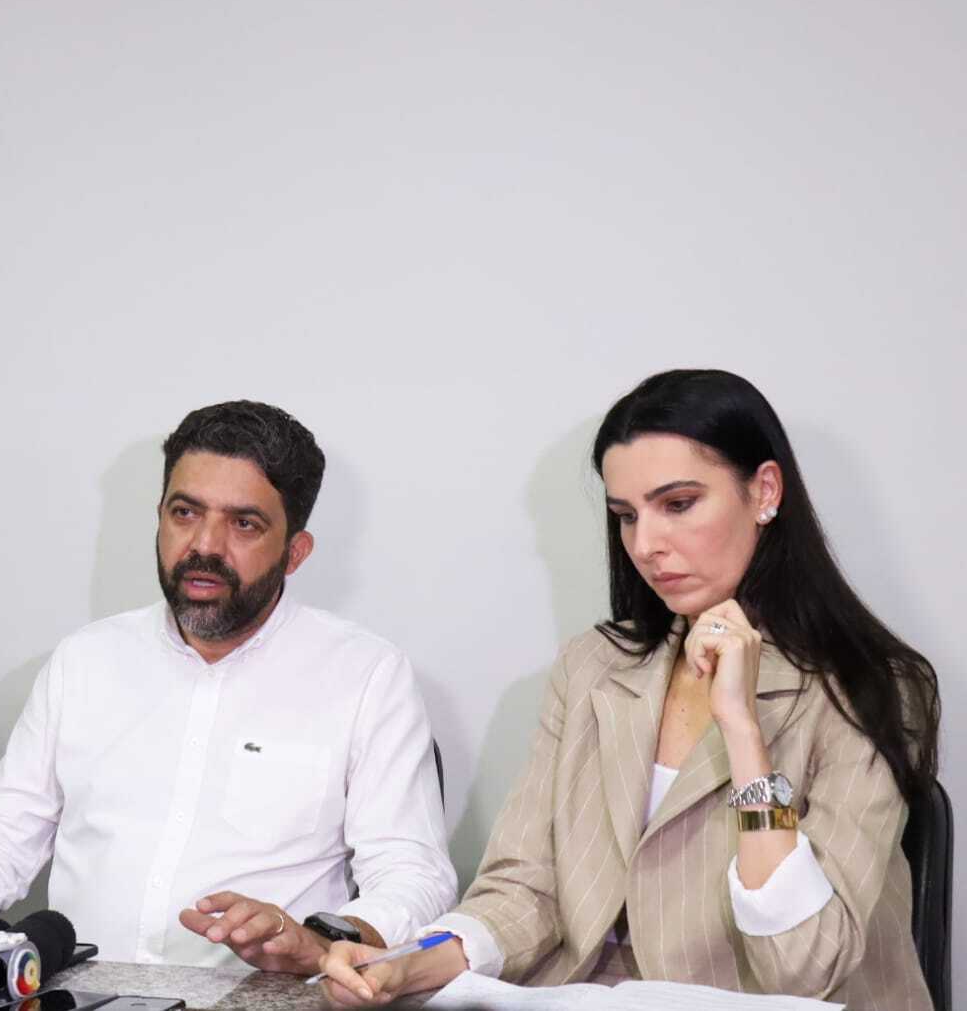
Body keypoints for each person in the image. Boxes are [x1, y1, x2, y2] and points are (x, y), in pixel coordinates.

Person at [320, 369, 938, 1009]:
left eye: (679, 504)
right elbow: (525, 888)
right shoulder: (593, 666)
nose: (645, 545)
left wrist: (743, 731)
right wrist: (408, 965)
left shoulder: (874, 687)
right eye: (625, 516)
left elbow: (806, 964)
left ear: (764, 491)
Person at [0, 401, 457, 970]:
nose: (204, 545)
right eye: (185, 512)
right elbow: (1, 838)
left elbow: (414, 875)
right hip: (82, 990)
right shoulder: (86, 661)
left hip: (262, 997)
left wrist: (319, 942)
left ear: (296, 551)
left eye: (244, 524)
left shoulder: (365, 675)